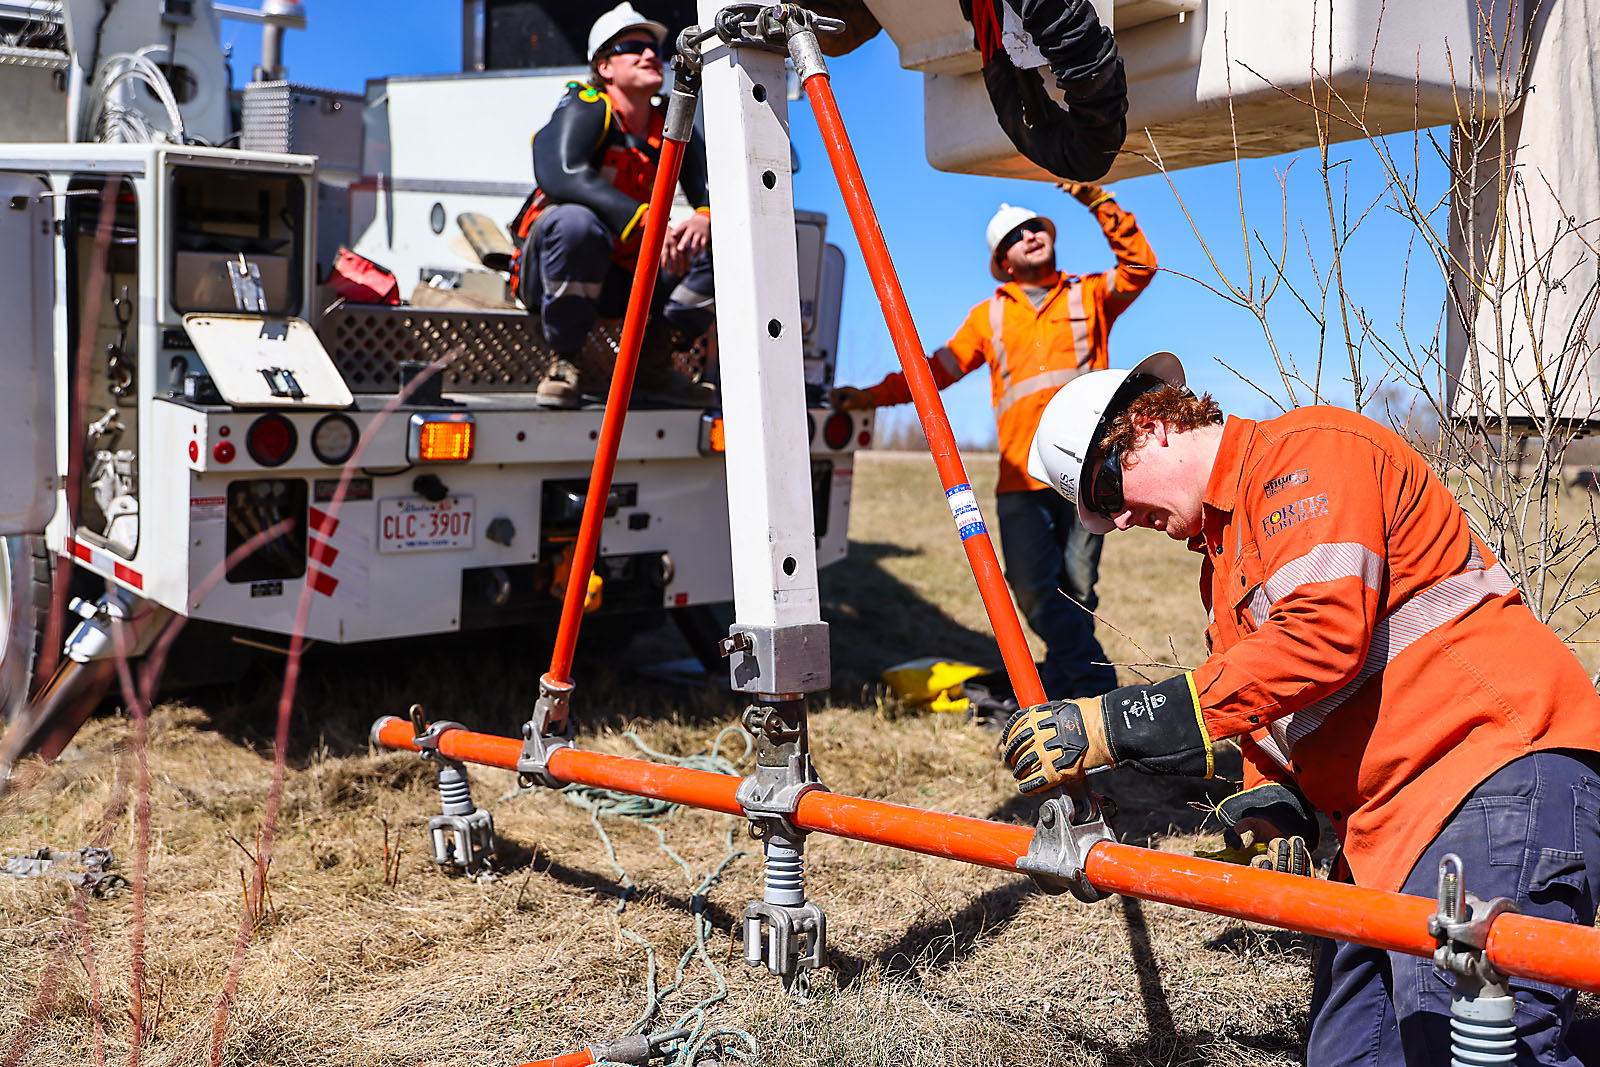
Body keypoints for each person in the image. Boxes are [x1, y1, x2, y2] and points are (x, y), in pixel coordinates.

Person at [1005, 352, 1600, 1065]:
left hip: (1490, 773)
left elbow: (1321, 637)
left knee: (1470, 1045)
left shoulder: (1308, 453)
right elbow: (1270, 709)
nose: (1120, 518)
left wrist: (1112, 723)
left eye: (1108, 489)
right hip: (1385, 830)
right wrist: (1271, 808)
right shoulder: (1224, 568)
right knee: (1349, 1054)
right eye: (1102, 514)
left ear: (1151, 425)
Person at [831, 185, 1156, 697]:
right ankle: (1092, 682)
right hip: (1020, 476)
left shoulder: (1089, 294)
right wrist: (871, 397)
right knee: (1032, 588)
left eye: (1036, 227)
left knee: (1078, 589)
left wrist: (1098, 202)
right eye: (1016, 236)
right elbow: (935, 372)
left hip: (1088, 473)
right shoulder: (989, 317)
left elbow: (1139, 267)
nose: (1030, 236)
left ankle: (1072, 688)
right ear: (1004, 262)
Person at [512, 2, 716, 408]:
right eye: (633, 48)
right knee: (576, 224)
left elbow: (709, 185)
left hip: (627, 277)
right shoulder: (588, 105)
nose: (650, 55)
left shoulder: (668, 123)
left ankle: (654, 361)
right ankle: (564, 361)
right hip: (558, 271)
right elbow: (561, 173)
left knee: (725, 240)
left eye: (654, 49)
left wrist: (704, 216)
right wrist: (645, 222)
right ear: (604, 67)